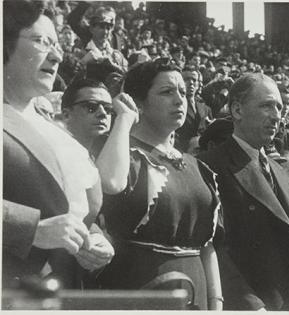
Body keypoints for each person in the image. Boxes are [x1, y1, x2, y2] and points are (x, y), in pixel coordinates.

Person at [199, 73, 289, 311]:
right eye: (266, 106)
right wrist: (248, 303)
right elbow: (213, 246)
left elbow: (274, 230)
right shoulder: (209, 165)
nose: (276, 116)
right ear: (237, 110)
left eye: (280, 107)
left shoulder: (281, 172)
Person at [95, 59, 222, 311]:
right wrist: (124, 119)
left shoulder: (199, 167)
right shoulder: (123, 154)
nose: (179, 100)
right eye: (167, 92)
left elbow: (208, 245)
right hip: (139, 287)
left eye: (183, 93)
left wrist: (216, 301)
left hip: (197, 294)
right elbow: (110, 182)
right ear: (138, 102)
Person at [3, 0, 113, 289]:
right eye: (41, 41)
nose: (55, 56)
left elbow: (68, 207)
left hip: (64, 289)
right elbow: (44, 224)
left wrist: (94, 238)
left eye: (56, 44)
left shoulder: (53, 127)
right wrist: (31, 229)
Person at [175, 66, 213, 152]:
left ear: (198, 84)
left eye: (194, 80)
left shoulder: (206, 108)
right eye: (186, 79)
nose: (191, 83)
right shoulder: (175, 105)